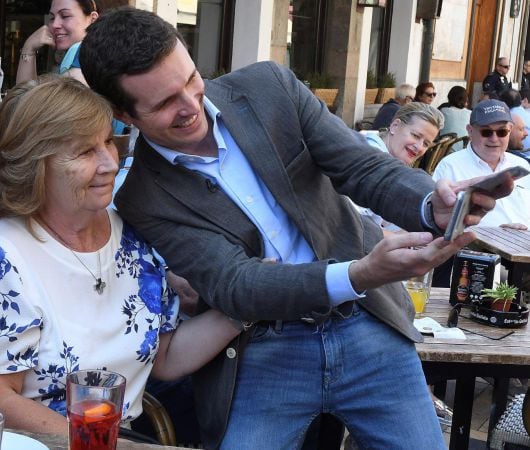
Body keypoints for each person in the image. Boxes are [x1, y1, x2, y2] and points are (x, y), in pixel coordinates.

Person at [78, 7, 510, 449]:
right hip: (262, 345)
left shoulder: (269, 88)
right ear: (125, 115)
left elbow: (360, 167)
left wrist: (430, 205)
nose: (192, 106)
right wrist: (359, 273)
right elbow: (236, 285)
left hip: (365, 322)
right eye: (165, 102)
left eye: (190, 80)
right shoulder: (142, 195)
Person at [0, 76, 242, 435]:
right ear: (37, 165)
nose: (109, 163)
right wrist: (99, 443)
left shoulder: (132, 238)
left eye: (108, 141)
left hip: (118, 436)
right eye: (85, 151)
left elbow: (163, 356)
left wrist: (243, 309)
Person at [433, 99, 530, 230]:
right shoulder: (449, 166)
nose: (494, 139)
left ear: (510, 130)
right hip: (476, 247)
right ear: (470, 131)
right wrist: (499, 233)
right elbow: (437, 221)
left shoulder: (521, 164)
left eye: (502, 132)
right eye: (486, 132)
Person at [360, 102, 444, 232]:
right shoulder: (368, 158)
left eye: (426, 144)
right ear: (395, 126)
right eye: (416, 136)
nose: (419, 147)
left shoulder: (392, 161)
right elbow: (356, 225)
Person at [15, 0, 98, 84]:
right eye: (52, 18)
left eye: (65, 16)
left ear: (93, 19)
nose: (55, 24)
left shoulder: (84, 59)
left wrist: (28, 47)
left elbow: (25, 96)